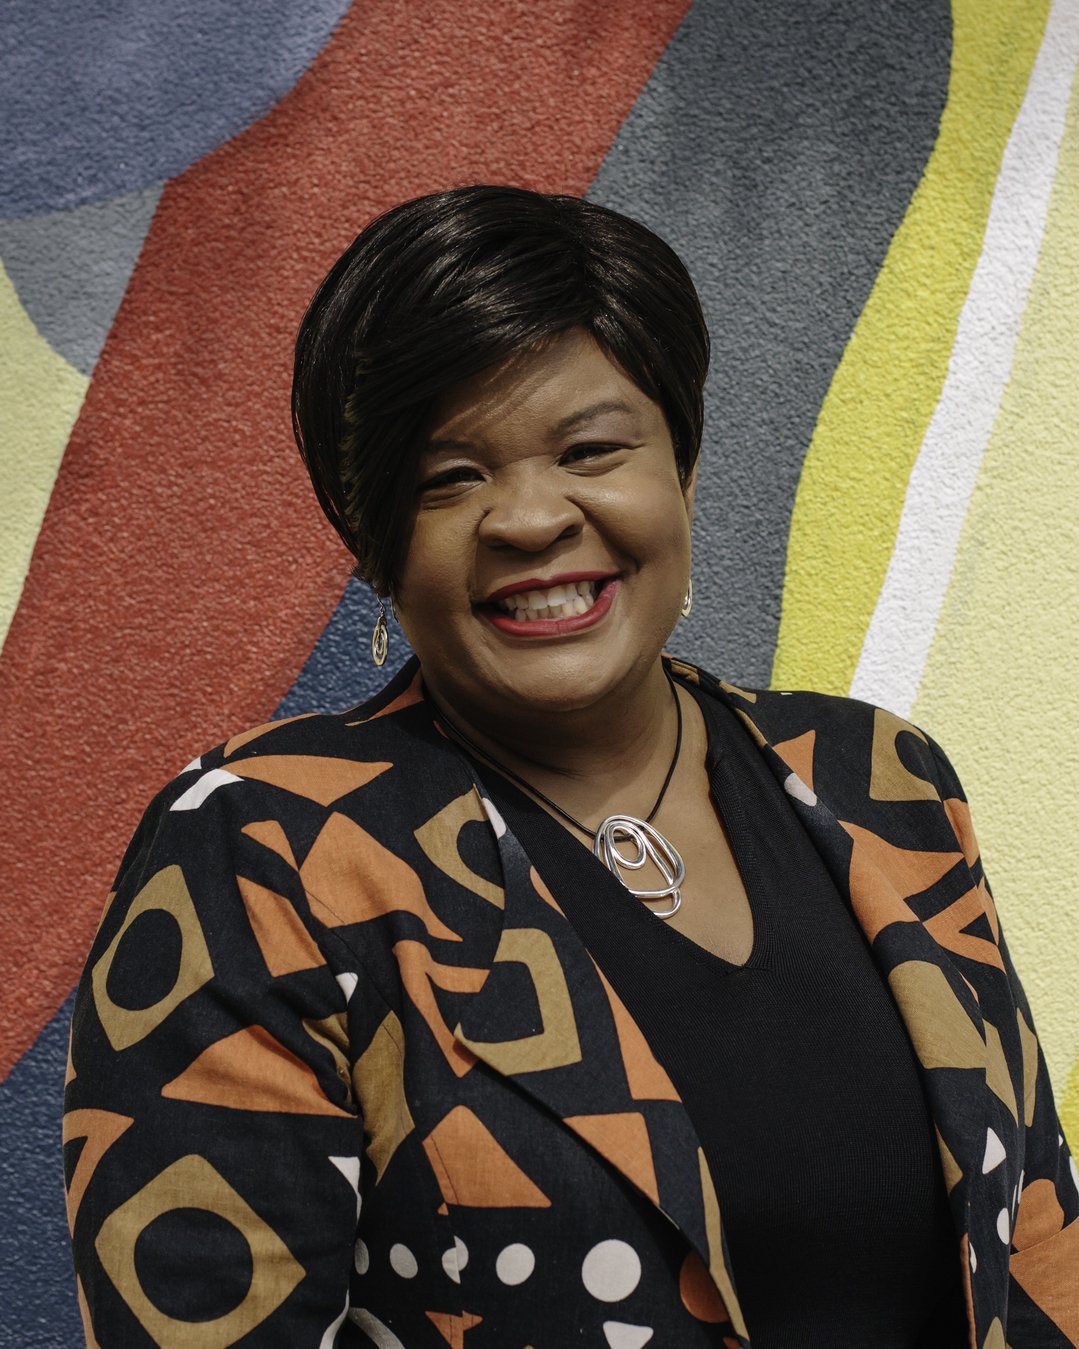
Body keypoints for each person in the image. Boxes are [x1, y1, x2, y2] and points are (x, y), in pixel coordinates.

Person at [66, 186, 1077, 1349]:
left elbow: (1034, 1246)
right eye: (449, 477)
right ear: (371, 540)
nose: (529, 517)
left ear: (681, 471)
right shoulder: (265, 852)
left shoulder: (875, 777)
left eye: (590, 448)